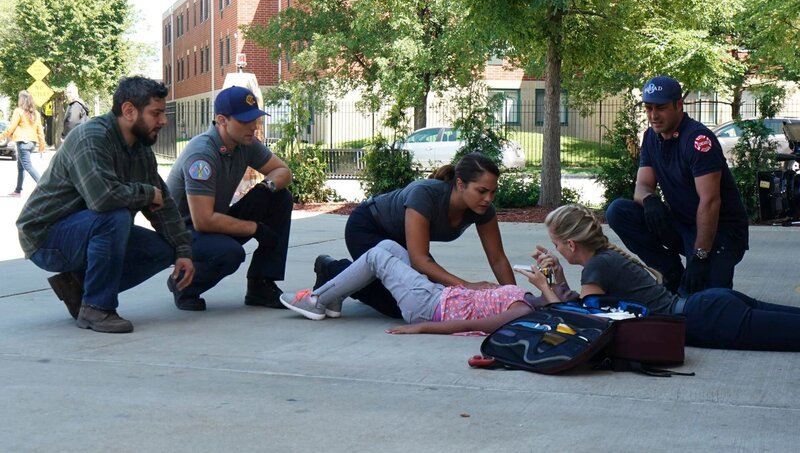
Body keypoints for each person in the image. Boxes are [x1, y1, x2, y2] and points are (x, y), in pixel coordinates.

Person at [16, 76, 195, 333]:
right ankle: (96, 308)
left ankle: (79, 288)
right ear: (129, 110)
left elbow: (163, 204)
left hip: (87, 229)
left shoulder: (140, 149)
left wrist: (183, 252)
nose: (163, 121)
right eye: (156, 113)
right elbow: (102, 199)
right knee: (115, 215)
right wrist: (146, 193)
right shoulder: (90, 138)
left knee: (163, 249)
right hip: (46, 238)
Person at [532, 203, 800, 351]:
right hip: (708, 306)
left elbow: (586, 326)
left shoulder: (597, 268)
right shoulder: (603, 261)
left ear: (571, 244)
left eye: (555, 244)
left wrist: (545, 287)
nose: (556, 249)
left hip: (707, 319)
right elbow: (587, 309)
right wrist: (559, 279)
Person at [313, 152, 517, 319]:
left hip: (401, 241)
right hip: (368, 228)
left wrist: (514, 300)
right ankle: (333, 269)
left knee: (428, 294)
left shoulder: (484, 210)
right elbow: (420, 260)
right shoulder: (425, 194)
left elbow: (497, 258)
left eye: (493, 192)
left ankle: (350, 278)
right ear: (460, 184)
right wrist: (467, 286)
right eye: (482, 191)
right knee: (399, 305)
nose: (488, 198)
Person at [606, 75, 749, 296]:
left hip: (721, 234)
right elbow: (642, 186)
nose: (653, 115)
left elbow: (710, 201)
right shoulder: (651, 137)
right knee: (619, 211)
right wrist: (650, 200)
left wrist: (699, 256)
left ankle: (698, 279)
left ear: (679, 105)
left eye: (660, 108)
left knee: (705, 306)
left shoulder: (698, 140)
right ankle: (671, 272)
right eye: (648, 108)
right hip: (683, 225)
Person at [165, 86, 293, 311]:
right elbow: (203, 221)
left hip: (212, 221)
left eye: (254, 119)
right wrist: (255, 228)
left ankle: (260, 285)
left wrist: (266, 187)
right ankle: (184, 284)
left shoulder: (245, 143)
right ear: (222, 120)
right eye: (245, 121)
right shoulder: (202, 154)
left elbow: (283, 172)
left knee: (279, 197)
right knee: (230, 253)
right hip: (182, 232)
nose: (253, 126)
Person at [281, 239, 571, 335]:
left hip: (429, 307)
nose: (562, 288)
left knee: (376, 257)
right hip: (436, 295)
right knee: (389, 246)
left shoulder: (521, 311)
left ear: (550, 303)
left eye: (560, 291)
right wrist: (555, 272)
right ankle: (333, 299)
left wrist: (420, 328)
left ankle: (317, 300)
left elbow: (468, 325)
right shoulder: (534, 300)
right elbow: (562, 301)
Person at [1, 90, 46, 197]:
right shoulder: (36, 113)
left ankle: (44, 187)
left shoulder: (18, 111)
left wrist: (1, 137)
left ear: (22, 100)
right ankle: (18, 190)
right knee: (21, 166)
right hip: (31, 143)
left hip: (23, 142)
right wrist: (41, 145)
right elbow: (40, 130)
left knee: (27, 166)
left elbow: (11, 128)